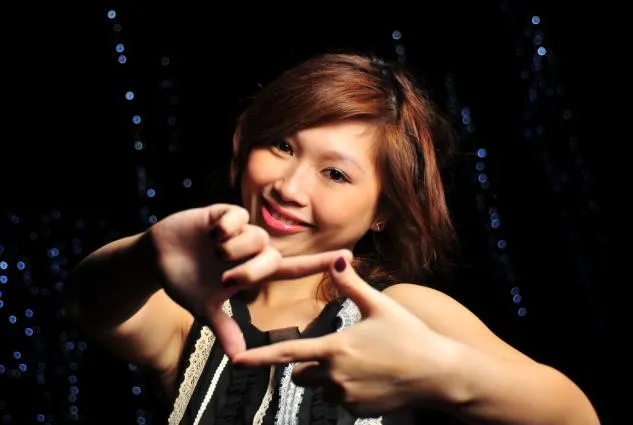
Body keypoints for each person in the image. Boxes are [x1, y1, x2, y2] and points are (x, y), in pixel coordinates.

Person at [65, 52, 600, 425]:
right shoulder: (193, 315)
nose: (289, 187)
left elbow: (574, 417)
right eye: (281, 146)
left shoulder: (404, 311)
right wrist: (147, 252)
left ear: (382, 213)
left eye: (336, 174)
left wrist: (442, 372)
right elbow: (89, 303)